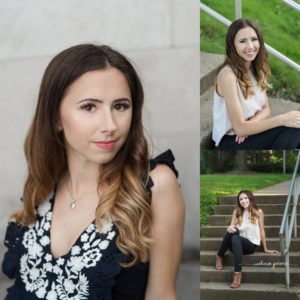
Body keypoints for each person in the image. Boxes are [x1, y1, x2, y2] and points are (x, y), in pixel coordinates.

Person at [2, 44, 185, 300]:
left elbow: (162, 295)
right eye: (89, 107)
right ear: (55, 117)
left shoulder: (156, 185)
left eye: (120, 106)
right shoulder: (43, 184)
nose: (110, 125)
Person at [212, 18, 300, 149]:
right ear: (233, 45)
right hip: (231, 141)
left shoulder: (256, 69)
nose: (250, 46)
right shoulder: (228, 76)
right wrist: (283, 119)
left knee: (295, 125)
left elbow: (266, 109)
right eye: (242, 41)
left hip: (249, 132)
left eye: (253, 39)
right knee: (294, 128)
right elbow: (240, 129)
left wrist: (251, 125)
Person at [215, 190, 277, 289]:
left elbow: (261, 230)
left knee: (236, 237)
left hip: (250, 245)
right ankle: (219, 256)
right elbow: (232, 226)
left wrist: (265, 248)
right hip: (236, 243)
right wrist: (229, 227)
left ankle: (237, 273)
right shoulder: (236, 211)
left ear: (250, 199)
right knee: (232, 231)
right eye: (241, 199)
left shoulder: (258, 211)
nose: (243, 201)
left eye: (245, 198)